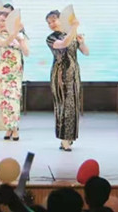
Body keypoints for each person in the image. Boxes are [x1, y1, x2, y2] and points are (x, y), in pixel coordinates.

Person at [45, 9, 89, 151]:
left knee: (73, 107)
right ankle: (64, 139)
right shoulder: (51, 38)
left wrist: (81, 42)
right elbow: (63, 44)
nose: (51, 24)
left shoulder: (72, 35)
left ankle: (69, 137)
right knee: (63, 106)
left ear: (61, 19)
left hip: (74, 74)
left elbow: (86, 52)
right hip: (60, 76)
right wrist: (74, 28)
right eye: (49, 22)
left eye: (54, 20)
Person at [0, 10, 29, 140]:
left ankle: (14, 128)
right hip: (3, 73)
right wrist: (15, 33)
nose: (1, 23)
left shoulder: (20, 35)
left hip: (15, 73)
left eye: (4, 20)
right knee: (4, 102)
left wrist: (21, 39)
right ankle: (9, 128)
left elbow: (26, 52)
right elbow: (5, 42)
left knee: (14, 100)